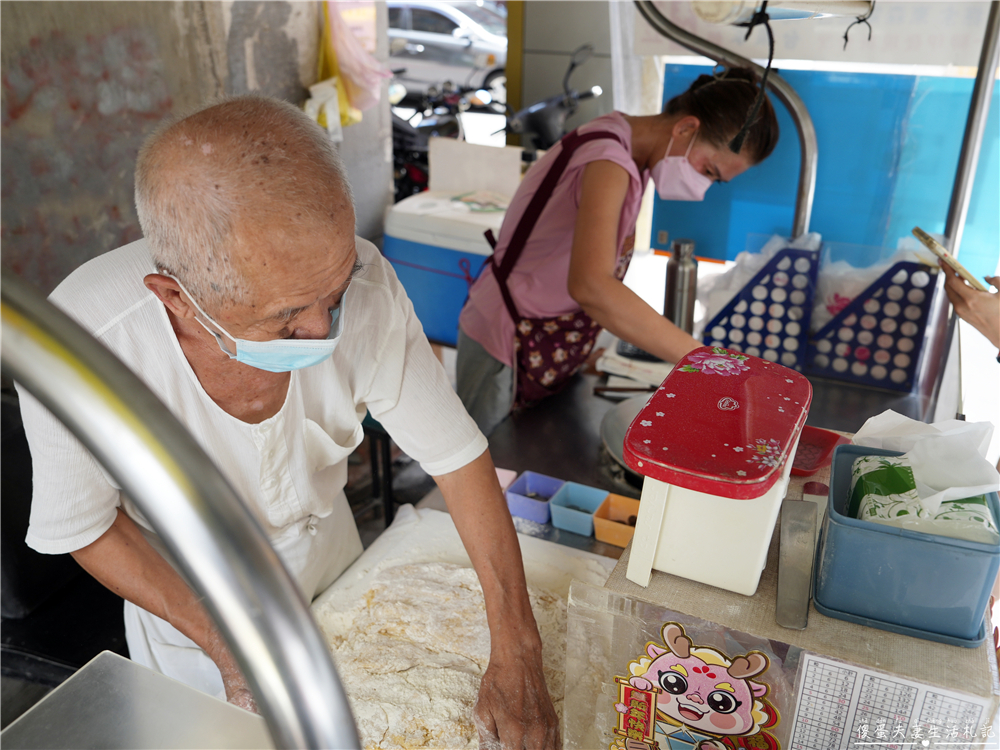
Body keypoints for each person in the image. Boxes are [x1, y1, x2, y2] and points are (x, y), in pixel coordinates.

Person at [16, 95, 558, 748]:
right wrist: (226, 644)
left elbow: (457, 459)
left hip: (336, 577)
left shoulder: (367, 286)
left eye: (333, 295)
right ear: (177, 300)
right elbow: (85, 527)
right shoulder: (80, 345)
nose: (324, 330)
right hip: (190, 615)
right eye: (288, 317)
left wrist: (518, 646)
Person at [457, 68, 780, 436]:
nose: (703, 188)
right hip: (506, 341)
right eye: (709, 170)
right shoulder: (609, 162)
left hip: (544, 334)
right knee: (477, 461)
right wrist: (705, 361)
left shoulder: (626, 147)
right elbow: (591, 286)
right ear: (686, 128)